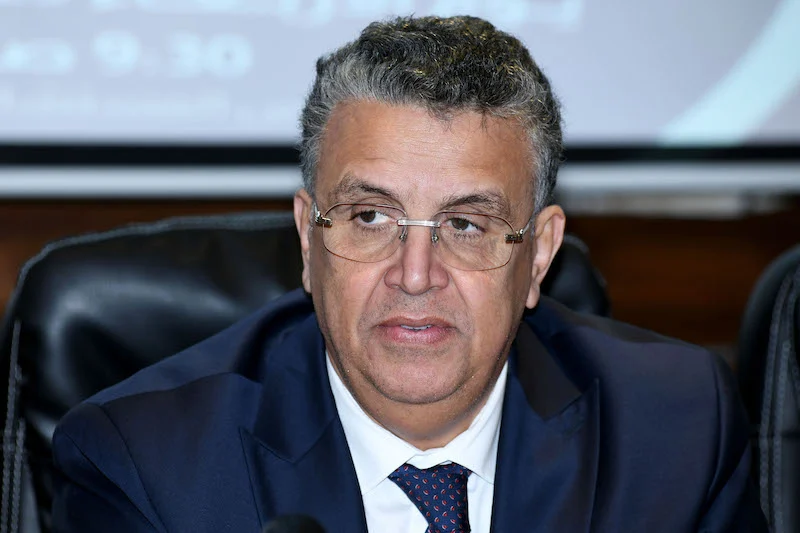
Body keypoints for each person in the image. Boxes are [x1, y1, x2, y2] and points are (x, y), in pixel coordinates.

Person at [51, 15, 767, 533]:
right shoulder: (148, 467)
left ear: (539, 256)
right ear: (308, 237)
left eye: (466, 224)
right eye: (370, 217)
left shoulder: (676, 430)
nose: (416, 275)